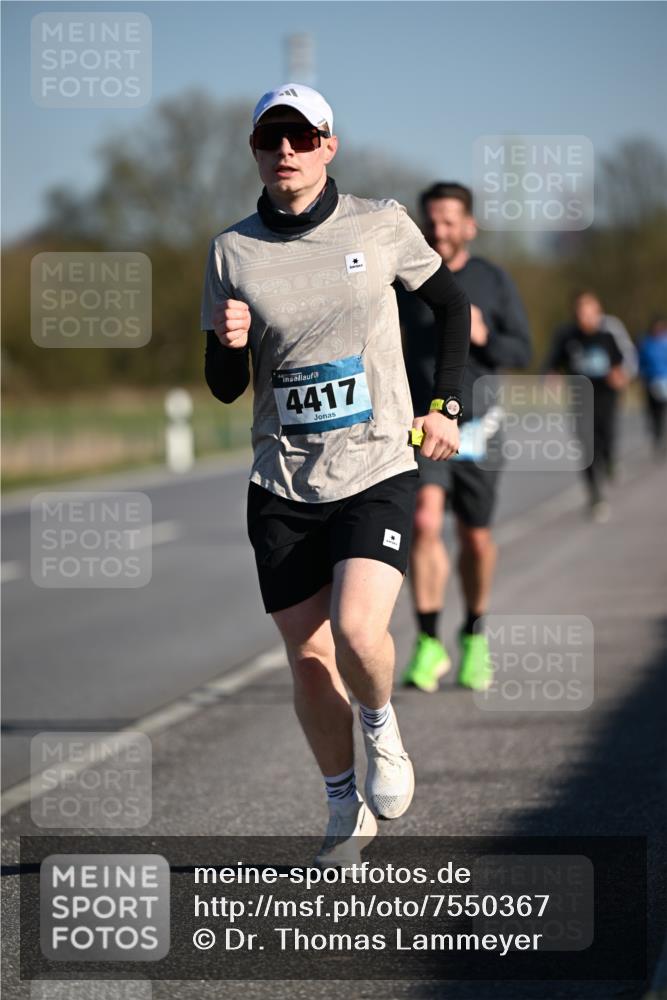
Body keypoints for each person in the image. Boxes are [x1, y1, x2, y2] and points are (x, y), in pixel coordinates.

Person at [201, 85, 470, 868]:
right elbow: (223, 385)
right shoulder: (231, 251)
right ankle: (340, 802)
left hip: (376, 462)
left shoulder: (379, 223)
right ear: (254, 149)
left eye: (299, 136)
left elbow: (448, 307)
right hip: (282, 482)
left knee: (357, 632)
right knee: (310, 658)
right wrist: (225, 342)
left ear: (328, 145)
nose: (283, 151)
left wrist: (444, 405)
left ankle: (382, 729)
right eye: (268, 138)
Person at [398, 182, 531, 693]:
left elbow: (523, 349)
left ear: (469, 226)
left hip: (480, 428)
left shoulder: (493, 280)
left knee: (475, 538)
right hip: (422, 424)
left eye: (450, 221)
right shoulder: (405, 278)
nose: (439, 230)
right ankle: (429, 642)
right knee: (425, 522)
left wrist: (485, 336)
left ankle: (474, 634)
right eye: (432, 221)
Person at [543, 290, 627, 522]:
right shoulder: (568, 338)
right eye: (581, 312)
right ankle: (596, 497)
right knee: (587, 448)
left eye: (590, 312)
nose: (585, 317)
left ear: (598, 313)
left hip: (606, 398)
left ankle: (610, 461)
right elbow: (553, 362)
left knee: (606, 438)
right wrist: (553, 376)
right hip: (581, 398)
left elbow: (620, 365)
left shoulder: (607, 337)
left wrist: (619, 376)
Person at [637, 315, 667, 459]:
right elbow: (640, 362)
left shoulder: (665, 342)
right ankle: (657, 437)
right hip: (650, 382)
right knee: (653, 412)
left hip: (665, 382)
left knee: (662, 412)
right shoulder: (646, 343)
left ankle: (661, 436)